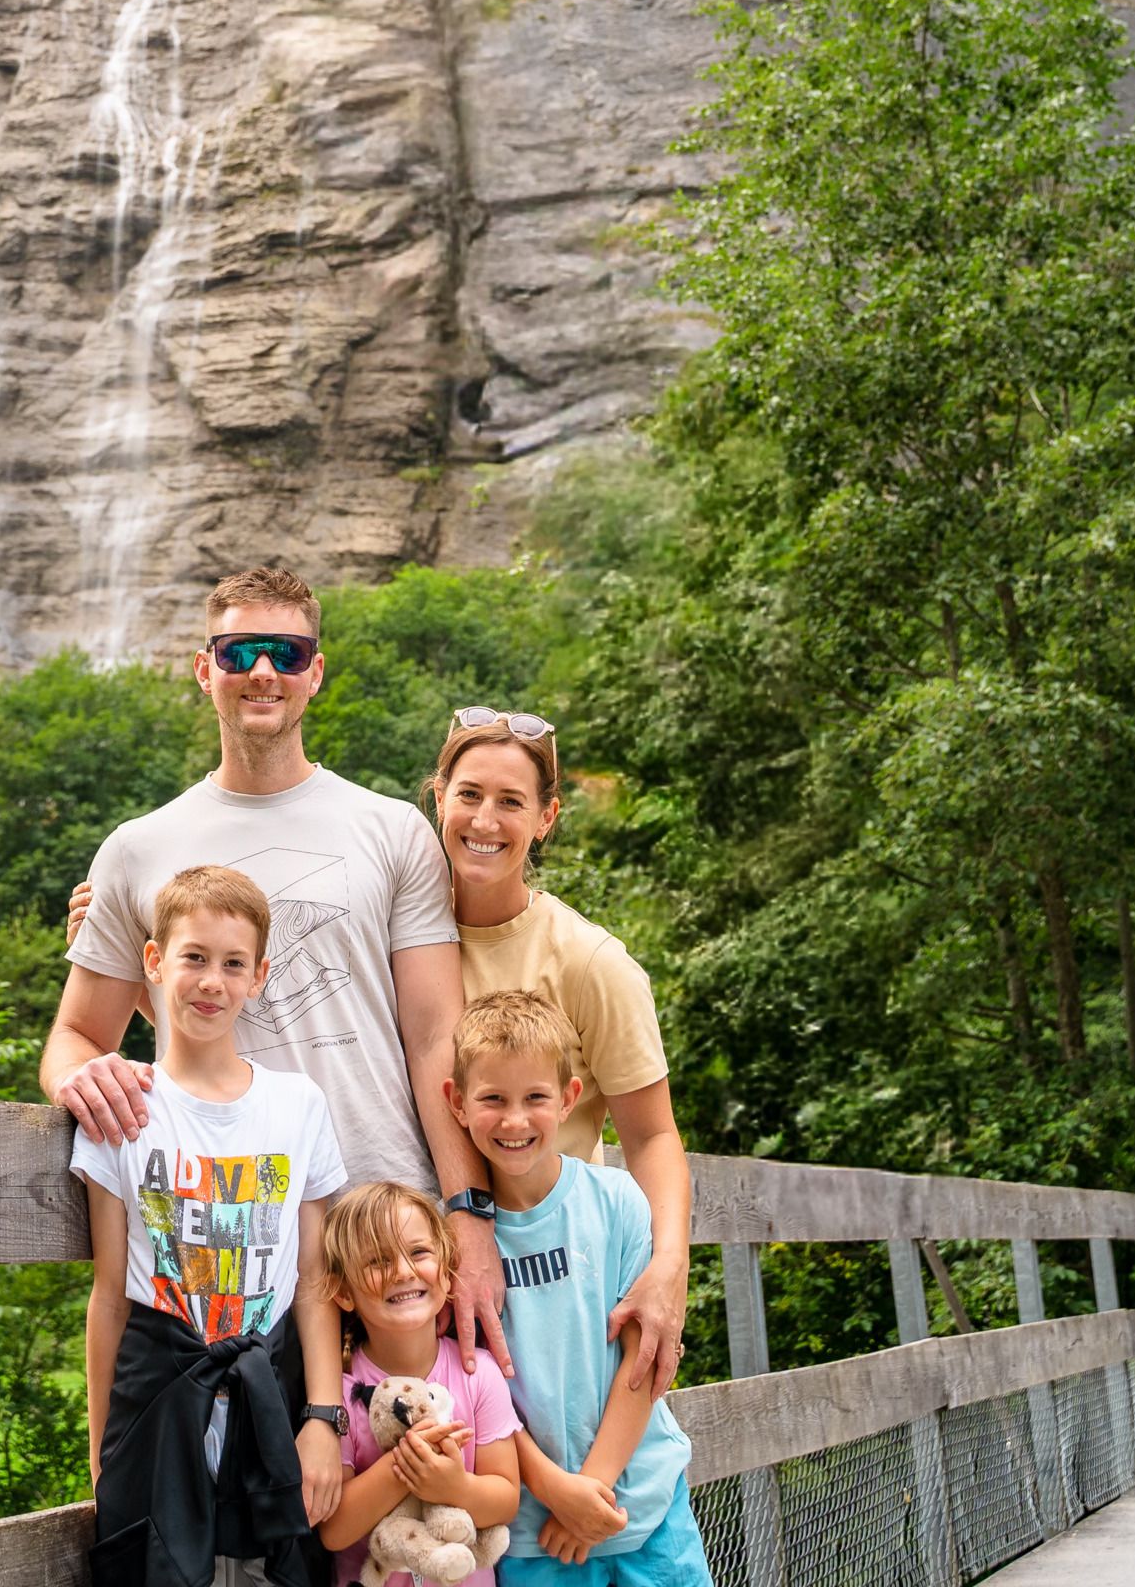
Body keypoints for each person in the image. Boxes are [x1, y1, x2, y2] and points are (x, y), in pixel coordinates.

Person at [45, 564, 511, 1418]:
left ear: (316, 672)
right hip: (224, 1253)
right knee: (236, 1527)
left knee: (401, 1510)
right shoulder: (137, 849)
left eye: (287, 652)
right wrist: (82, 1076)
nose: (264, 671)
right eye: (241, 650)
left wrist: (468, 1213)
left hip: (386, 1235)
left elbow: (436, 1034)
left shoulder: (391, 830)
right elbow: (76, 1035)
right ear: (204, 667)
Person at [76, 864, 349, 1587]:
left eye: (233, 964)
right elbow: (109, 1294)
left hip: (272, 1402)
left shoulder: (297, 1106)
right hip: (159, 1404)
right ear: (155, 962)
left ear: (258, 976)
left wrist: (324, 1419)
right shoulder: (125, 1108)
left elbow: (315, 1283)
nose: (211, 981)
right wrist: (102, 1446)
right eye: (194, 957)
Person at [430, 710, 691, 1399]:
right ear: (438, 797)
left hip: (559, 1291)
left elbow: (655, 1134)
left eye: (512, 802)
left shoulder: (589, 963)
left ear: (546, 817)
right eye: (470, 794)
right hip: (424, 1287)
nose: (485, 820)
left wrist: (667, 1267)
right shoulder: (397, 940)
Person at [451, 992, 710, 1587]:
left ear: (568, 1099)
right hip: (534, 1530)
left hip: (643, 1503)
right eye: (492, 1099)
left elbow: (643, 1358)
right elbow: (471, 1382)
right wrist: (555, 1491)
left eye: (535, 1098)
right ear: (457, 1104)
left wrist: (592, 1486)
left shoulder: (617, 1201)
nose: (514, 1120)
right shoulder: (460, 1247)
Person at [317, 1184, 520, 1587]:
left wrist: (454, 1485)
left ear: (446, 1272)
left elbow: (506, 1500)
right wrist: (404, 1465)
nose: (403, 1272)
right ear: (343, 1292)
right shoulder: (340, 1392)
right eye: (377, 1261)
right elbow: (334, 1530)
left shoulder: (478, 1373)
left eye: (419, 1253)